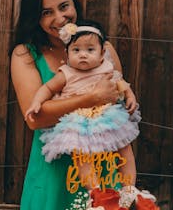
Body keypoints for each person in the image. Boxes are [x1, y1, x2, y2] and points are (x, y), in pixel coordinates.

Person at [11, 0, 136, 210]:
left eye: (64, 6)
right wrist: (89, 98)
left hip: (103, 167)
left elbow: (114, 100)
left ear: (75, 5)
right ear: (35, 18)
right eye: (47, 12)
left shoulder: (104, 48)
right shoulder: (25, 54)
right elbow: (35, 119)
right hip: (54, 175)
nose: (59, 18)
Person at [26, 19, 141, 192]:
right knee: (82, 156)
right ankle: (94, 191)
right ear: (67, 53)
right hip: (79, 119)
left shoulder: (106, 68)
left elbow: (120, 83)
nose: (83, 55)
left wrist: (130, 95)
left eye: (90, 50)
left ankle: (129, 189)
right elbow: (48, 88)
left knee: (125, 149)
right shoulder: (66, 73)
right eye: (76, 50)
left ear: (102, 53)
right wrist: (36, 102)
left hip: (107, 116)